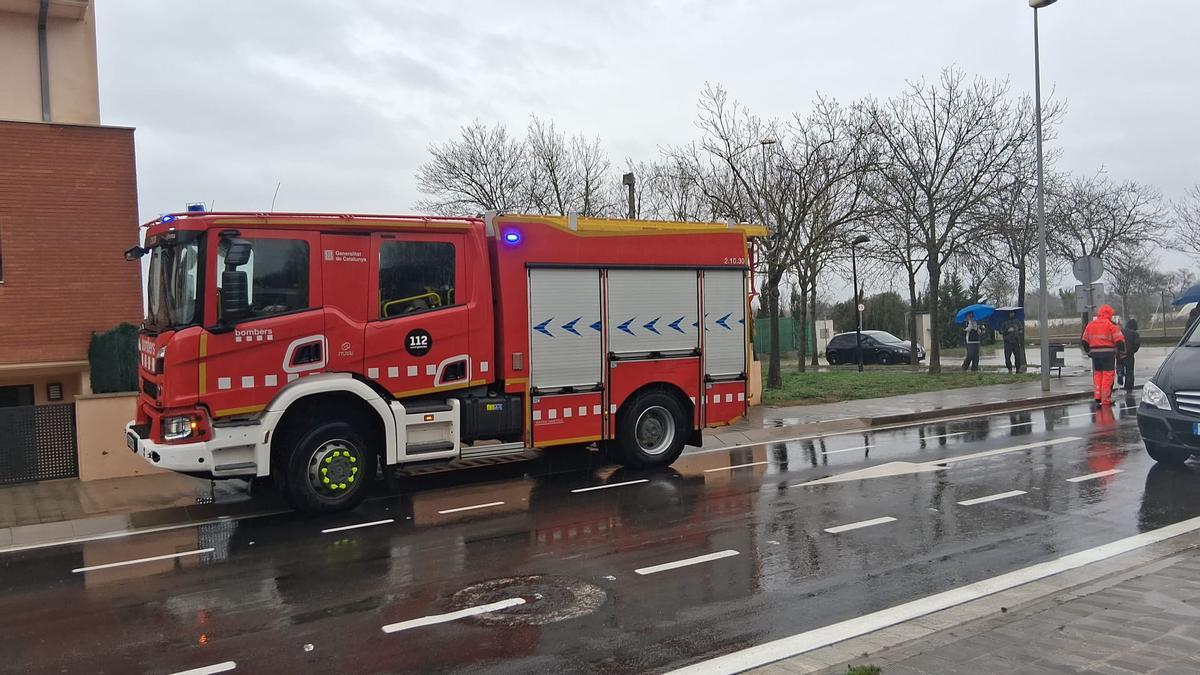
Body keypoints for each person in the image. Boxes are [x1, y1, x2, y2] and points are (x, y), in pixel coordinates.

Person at [1080, 304, 1126, 406]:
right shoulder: (1111, 326)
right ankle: (1105, 399)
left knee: (1098, 374)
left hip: (1095, 355)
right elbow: (1119, 341)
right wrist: (1122, 353)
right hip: (1108, 354)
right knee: (1107, 376)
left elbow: (1084, 341)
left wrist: (1089, 352)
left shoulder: (1090, 325)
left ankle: (1097, 396)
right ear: (1109, 314)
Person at [1118, 317, 1140, 392]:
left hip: (1120, 353)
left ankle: (1120, 373)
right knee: (1129, 371)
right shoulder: (1135, 334)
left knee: (1119, 365)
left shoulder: (1120, 331)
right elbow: (1137, 344)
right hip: (1129, 354)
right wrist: (1133, 351)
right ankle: (1129, 386)